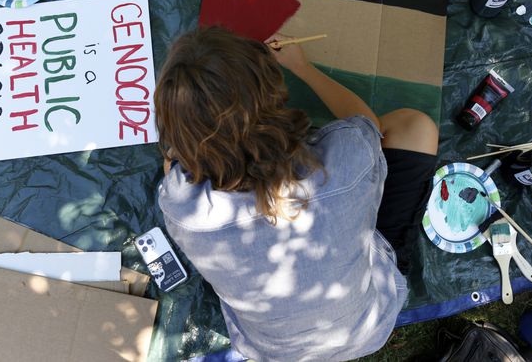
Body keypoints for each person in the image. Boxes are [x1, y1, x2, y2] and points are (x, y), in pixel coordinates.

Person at [155, 26, 438, 361]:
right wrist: (304, 68)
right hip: (368, 325)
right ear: (272, 92)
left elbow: (173, 167)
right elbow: (366, 122)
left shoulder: (180, 207)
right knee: (416, 127)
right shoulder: (346, 156)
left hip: (272, 351)